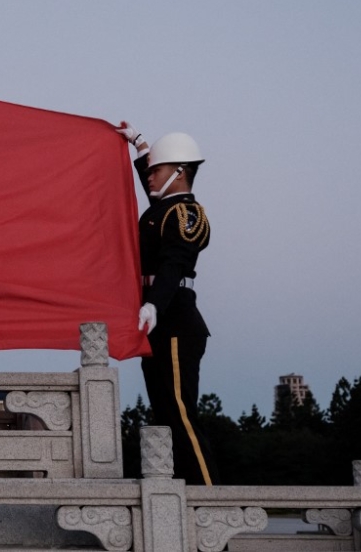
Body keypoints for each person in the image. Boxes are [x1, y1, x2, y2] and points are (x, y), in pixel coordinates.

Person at [117, 122, 219, 486]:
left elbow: (175, 263)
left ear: (179, 173)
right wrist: (142, 148)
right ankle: (180, 497)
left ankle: (207, 499)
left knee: (180, 414)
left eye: (157, 170)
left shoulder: (186, 213)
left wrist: (155, 304)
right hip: (157, 322)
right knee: (163, 414)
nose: (149, 176)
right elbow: (152, 194)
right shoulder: (160, 211)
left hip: (175, 320)